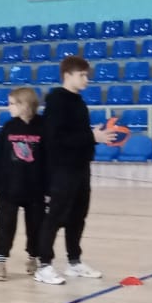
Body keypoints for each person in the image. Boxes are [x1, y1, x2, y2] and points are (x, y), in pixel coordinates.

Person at [35, 56, 114, 285]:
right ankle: (44, 265)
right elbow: (55, 138)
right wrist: (91, 136)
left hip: (81, 167)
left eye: (87, 75)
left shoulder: (78, 102)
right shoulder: (57, 101)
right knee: (55, 216)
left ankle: (74, 261)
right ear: (67, 75)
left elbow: (76, 135)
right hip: (62, 169)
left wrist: (94, 136)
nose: (86, 79)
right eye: (82, 75)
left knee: (78, 216)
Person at [0, 88, 47, 281]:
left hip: (36, 188)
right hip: (9, 188)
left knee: (36, 225)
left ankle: (33, 257)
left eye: (12, 103)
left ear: (25, 105)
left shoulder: (43, 126)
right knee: (5, 225)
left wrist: (50, 186)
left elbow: (50, 158)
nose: (9, 107)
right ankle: (0, 261)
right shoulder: (8, 127)